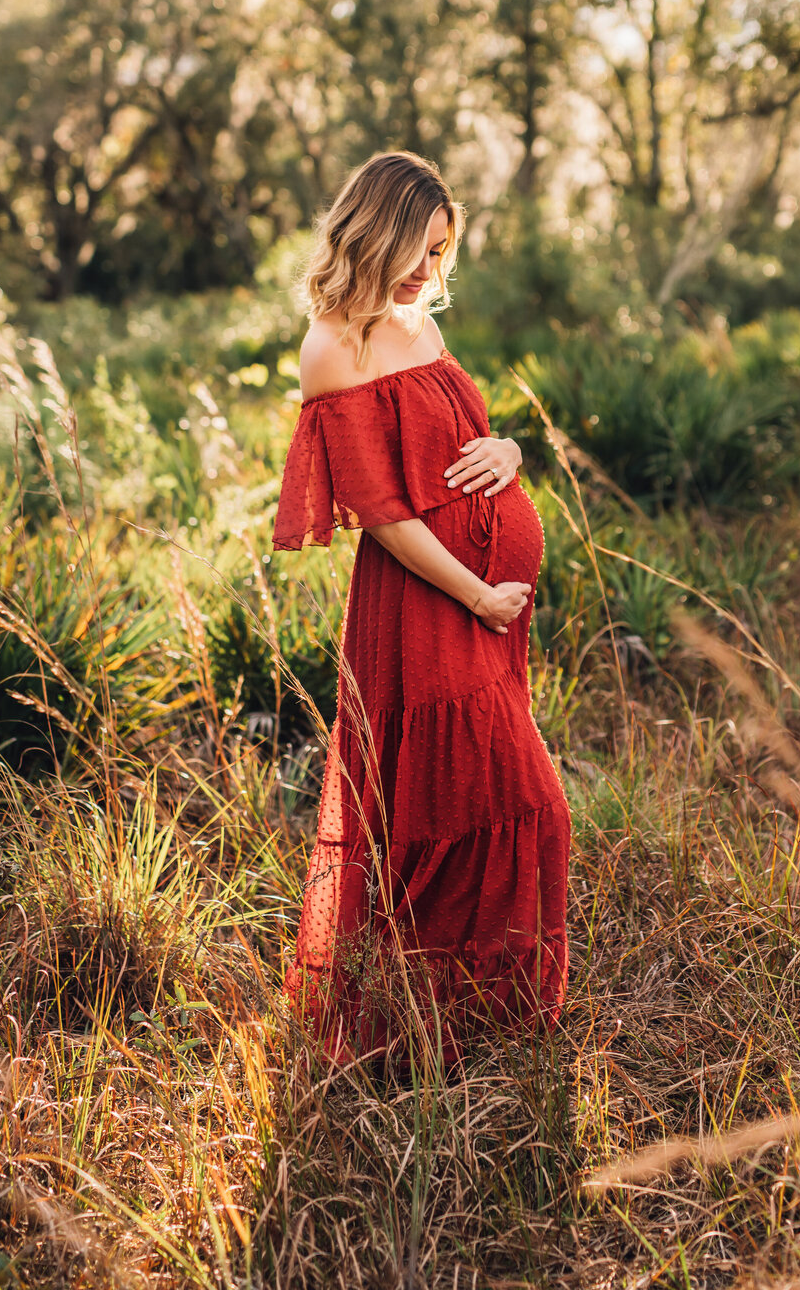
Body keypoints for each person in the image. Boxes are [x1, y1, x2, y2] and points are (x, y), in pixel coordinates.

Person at [273, 150, 571, 1072]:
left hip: (485, 608)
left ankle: (486, 1018)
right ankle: (420, 1022)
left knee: (498, 803)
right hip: (426, 603)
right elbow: (385, 514)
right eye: (418, 247)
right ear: (374, 227)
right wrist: (478, 591)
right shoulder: (335, 346)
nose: (427, 271)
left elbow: (469, 444)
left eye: (442, 252)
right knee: (475, 808)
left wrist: (512, 452)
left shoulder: (418, 325)